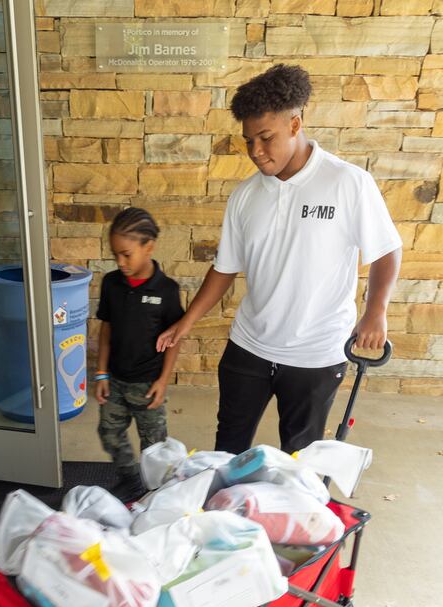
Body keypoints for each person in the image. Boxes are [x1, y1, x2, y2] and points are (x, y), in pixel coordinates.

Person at [157, 64, 402, 455]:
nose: (256, 151)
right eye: (248, 140)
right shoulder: (245, 195)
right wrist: (186, 323)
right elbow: (225, 268)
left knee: (299, 458)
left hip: (316, 354)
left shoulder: (348, 183)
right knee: (228, 451)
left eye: (266, 137)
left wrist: (376, 312)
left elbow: (386, 250)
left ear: (294, 124)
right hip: (248, 345)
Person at [95, 207, 184, 501]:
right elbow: (106, 329)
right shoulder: (111, 283)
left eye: (126, 254)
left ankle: (154, 493)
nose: (120, 262)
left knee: (154, 447)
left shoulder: (167, 290)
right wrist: (102, 372)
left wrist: (162, 380)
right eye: (115, 255)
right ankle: (130, 480)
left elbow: (174, 340)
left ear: (149, 247)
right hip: (116, 381)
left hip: (148, 385)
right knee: (109, 433)